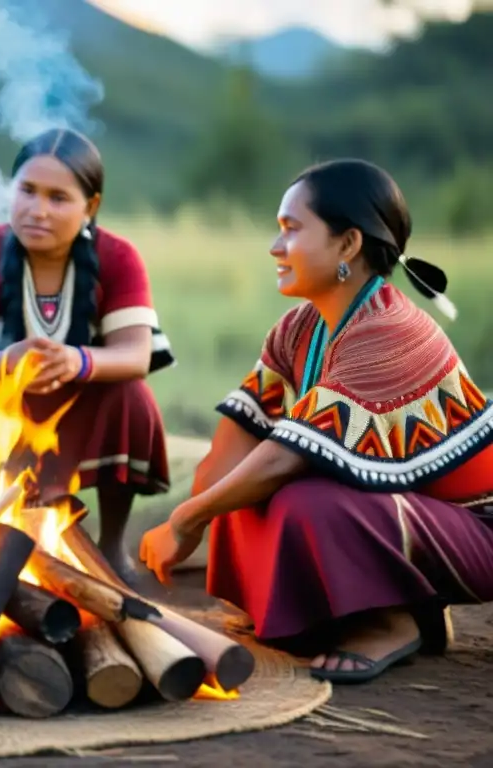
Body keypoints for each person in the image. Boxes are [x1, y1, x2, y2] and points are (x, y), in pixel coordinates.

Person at [139, 158, 493, 684]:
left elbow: (287, 456)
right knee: (236, 489)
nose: (274, 247)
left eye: (291, 229)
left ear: (348, 245)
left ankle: (390, 620)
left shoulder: (390, 331)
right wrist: (195, 511)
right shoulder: (299, 327)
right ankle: (378, 606)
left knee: (306, 500)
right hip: (408, 514)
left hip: (476, 530)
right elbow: (242, 435)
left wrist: (187, 519)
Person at [0, 128, 175, 584]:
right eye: (27, 191)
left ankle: (111, 543)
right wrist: (10, 362)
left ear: (90, 207)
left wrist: (78, 362)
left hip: (77, 402)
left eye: (58, 198)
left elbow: (134, 354)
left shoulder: (117, 256)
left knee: (131, 395)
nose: (38, 210)